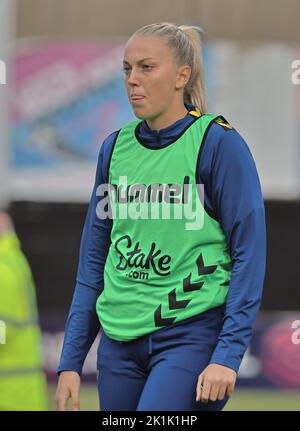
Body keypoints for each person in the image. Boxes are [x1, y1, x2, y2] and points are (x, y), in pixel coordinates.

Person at [55, 22, 266, 411]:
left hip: (190, 337)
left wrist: (227, 354)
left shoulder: (217, 144)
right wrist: (70, 361)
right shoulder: (114, 149)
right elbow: (93, 262)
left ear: (182, 76)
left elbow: (249, 255)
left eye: (146, 68)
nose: (132, 80)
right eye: (126, 69)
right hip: (117, 344)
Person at [0, 210, 48, 410]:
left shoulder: (3, 269)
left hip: (10, 394)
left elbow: (2, 330)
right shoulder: (15, 260)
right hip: (24, 391)